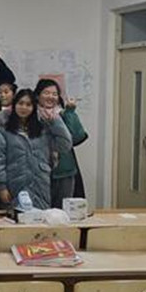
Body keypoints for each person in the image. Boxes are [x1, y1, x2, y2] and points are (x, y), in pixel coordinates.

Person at [0, 89, 72, 210]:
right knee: (16, 218)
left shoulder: (43, 128)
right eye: (20, 103)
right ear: (14, 105)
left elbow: (65, 144)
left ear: (34, 107)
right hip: (15, 183)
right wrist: (2, 187)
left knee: (41, 219)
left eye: (28, 104)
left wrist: (55, 121)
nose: (24, 108)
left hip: (40, 184)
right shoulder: (3, 129)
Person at [34, 78, 89, 207]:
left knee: (62, 212)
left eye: (54, 94)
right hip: (38, 172)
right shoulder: (32, 116)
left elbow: (76, 137)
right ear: (37, 96)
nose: (51, 96)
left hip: (64, 171)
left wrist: (70, 112)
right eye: (46, 93)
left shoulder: (64, 114)